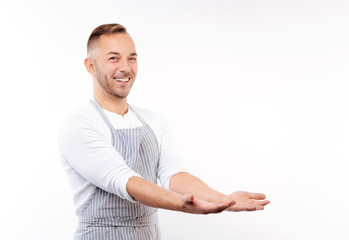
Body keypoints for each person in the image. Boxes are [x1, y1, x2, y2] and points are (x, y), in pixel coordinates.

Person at [58, 23, 270, 240]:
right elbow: (126, 181)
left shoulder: (153, 121)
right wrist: (182, 204)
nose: (126, 67)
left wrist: (223, 200)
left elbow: (174, 175)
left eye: (132, 58)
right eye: (113, 58)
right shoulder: (79, 125)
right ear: (90, 66)